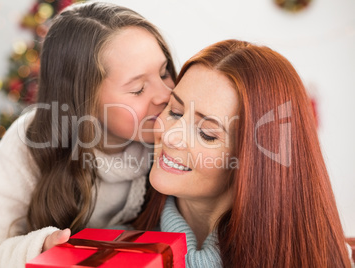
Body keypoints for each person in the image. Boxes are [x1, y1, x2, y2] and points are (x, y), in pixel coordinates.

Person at [0, 2, 176, 267]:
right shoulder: (26, 145)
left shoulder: (172, 132)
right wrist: (39, 248)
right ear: (83, 101)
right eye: (137, 89)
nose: (166, 95)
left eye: (165, 72)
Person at [133, 39, 353, 267]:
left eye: (207, 133)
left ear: (257, 161)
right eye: (175, 112)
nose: (169, 136)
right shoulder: (109, 242)